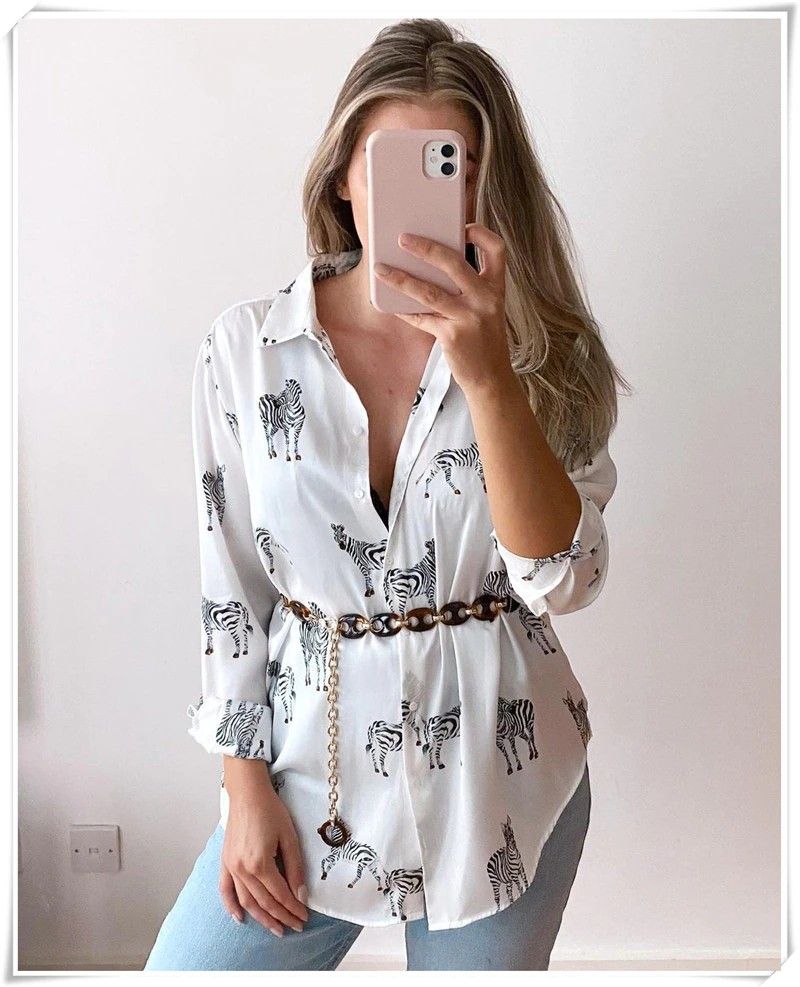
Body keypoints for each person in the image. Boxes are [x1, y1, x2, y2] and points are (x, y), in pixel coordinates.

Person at [144, 16, 629, 972]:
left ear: (485, 186)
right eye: (388, 163)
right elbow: (231, 587)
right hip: (308, 782)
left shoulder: (547, 355)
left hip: (502, 788)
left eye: (450, 166)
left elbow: (563, 580)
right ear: (342, 176)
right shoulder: (247, 352)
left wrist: (487, 375)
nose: (416, 198)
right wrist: (242, 786)